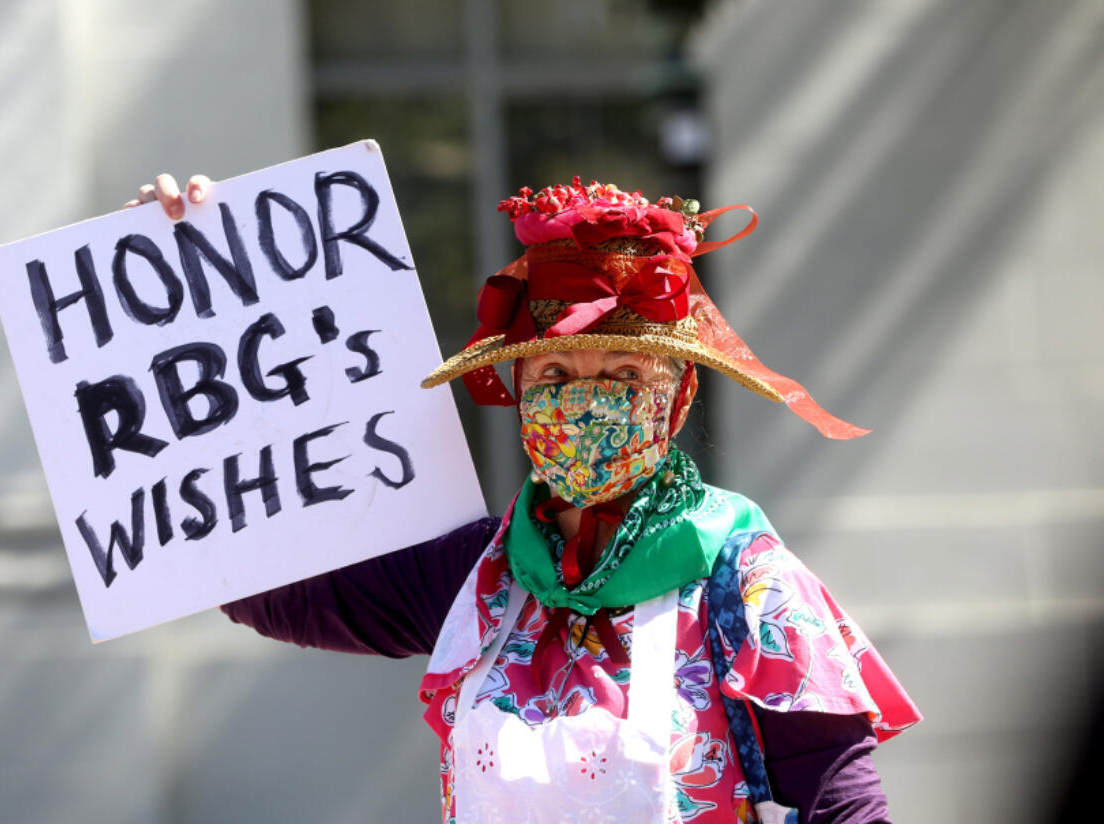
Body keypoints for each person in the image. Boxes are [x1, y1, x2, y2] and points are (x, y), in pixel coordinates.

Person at [130, 175, 921, 823]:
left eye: (621, 376)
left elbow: (842, 807)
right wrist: (181, 290)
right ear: (517, 394)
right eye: (555, 378)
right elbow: (263, 589)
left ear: (674, 401)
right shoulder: (477, 575)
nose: (586, 401)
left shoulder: (748, 584)